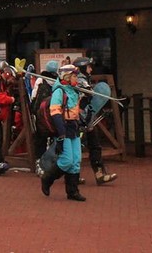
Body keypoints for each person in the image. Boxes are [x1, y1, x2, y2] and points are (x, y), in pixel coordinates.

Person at [40, 64, 86, 201]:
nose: (76, 79)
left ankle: (73, 191)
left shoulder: (74, 91)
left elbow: (78, 110)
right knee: (67, 160)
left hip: (74, 127)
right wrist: (61, 134)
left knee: (76, 160)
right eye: (74, 76)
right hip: (63, 128)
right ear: (67, 77)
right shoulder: (59, 91)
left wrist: (87, 98)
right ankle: (47, 178)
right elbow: (55, 113)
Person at [74, 56, 117, 185]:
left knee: (95, 146)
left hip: (87, 120)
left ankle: (100, 175)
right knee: (76, 150)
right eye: (88, 67)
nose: (91, 69)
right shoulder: (78, 81)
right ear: (82, 68)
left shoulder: (85, 80)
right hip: (78, 121)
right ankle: (71, 177)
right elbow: (83, 99)